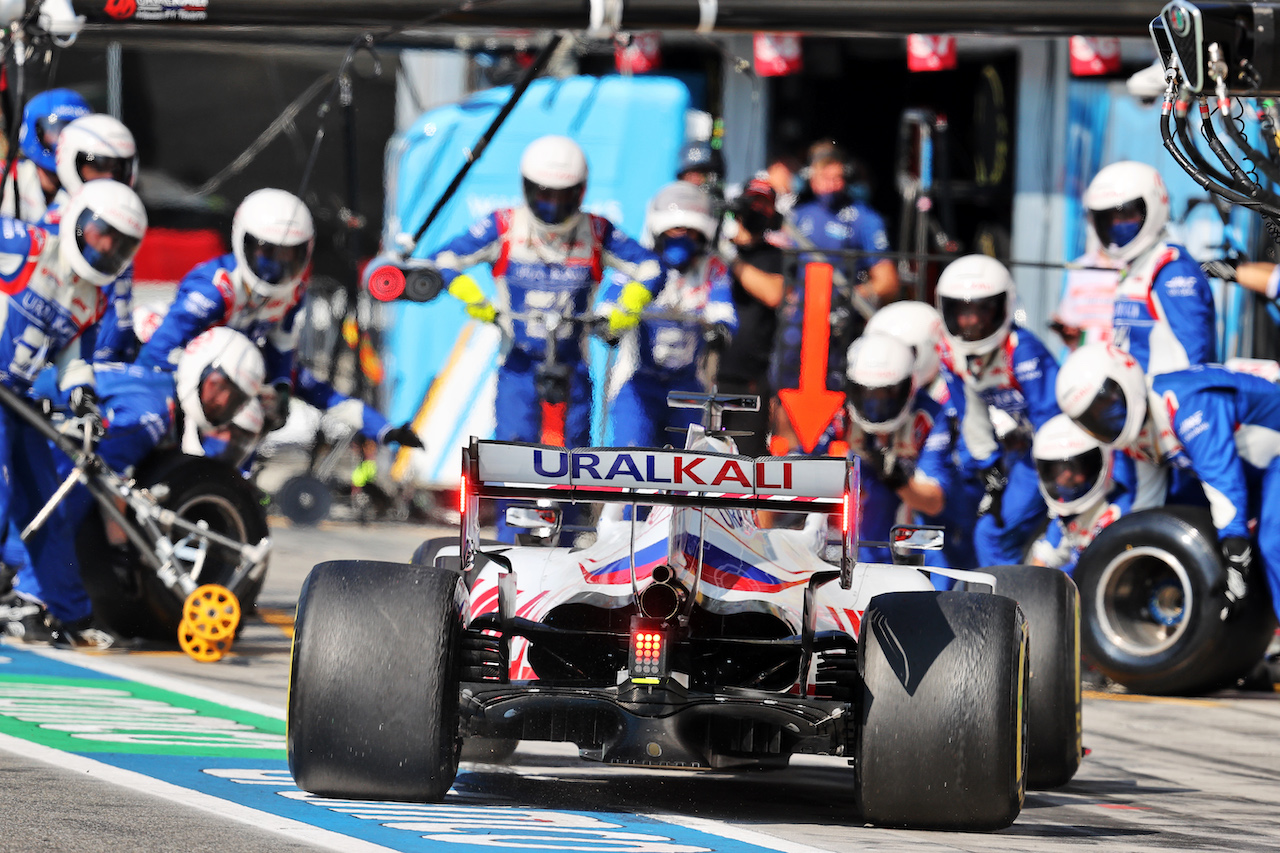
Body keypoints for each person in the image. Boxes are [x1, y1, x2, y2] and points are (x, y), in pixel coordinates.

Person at [2, 328, 265, 648]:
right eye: (219, 387)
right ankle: (27, 596)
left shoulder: (158, 391)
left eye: (234, 399)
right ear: (200, 368)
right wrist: (119, 553)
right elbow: (78, 488)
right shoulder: (149, 414)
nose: (222, 402)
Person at [430, 134, 662, 453]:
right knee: (510, 462)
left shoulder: (596, 230)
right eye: (544, 195)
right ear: (527, 188)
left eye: (563, 196)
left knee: (574, 464)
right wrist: (474, 299)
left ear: (580, 192)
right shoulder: (503, 225)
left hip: (574, 367)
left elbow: (652, 267)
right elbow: (441, 259)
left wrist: (624, 308)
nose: (553, 206)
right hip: (518, 363)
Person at [0, 179, 146, 644]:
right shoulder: (25, 245)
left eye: (120, 244)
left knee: (47, 504)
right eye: (102, 233)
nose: (107, 248)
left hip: (18, 398)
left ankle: (71, 616)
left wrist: (82, 398)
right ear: (79, 219)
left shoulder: (92, 296)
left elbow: (72, 357)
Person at [1056, 342, 1280, 623]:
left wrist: (1236, 553)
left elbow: (1222, 478)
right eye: (1093, 416)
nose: (1106, 418)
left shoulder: (1186, 404)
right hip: (1251, 471)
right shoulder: (1131, 435)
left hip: (1268, 460)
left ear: (1125, 378)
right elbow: (1149, 506)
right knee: (1186, 524)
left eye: (1107, 402)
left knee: (1272, 540)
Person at [135, 188, 314, 432]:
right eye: (267, 251)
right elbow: (156, 353)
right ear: (244, 242)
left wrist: (281, 389)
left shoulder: (294, 293)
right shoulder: (215, 289)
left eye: (288, 254)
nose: (276, 266)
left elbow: (281, 346)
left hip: (226, 382)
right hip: (175, 370)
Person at [936, 254, 1061, 566]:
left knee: (993, 535)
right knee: (983, 529)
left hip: (1053, 457)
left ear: (1003, 307)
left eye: (982, 309)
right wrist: (989, 467)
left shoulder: (1022, 350)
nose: (971, 321)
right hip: (1018, 456)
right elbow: (969, 413)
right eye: (962, 311)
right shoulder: (950, 354)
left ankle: (1013, 608)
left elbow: (1052, 421)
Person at [602, 181, 737, 448]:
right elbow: (608, 309)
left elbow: (725, 314)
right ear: (658, 230)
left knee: (689, 464)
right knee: (630, 457)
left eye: (691, 231)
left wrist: (720, 331)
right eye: (676, 229)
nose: (682, 236)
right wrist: (609, 324)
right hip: (637, 384)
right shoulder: (640, 263)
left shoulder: (714, 269)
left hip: (690, 386)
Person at [1083, 161, 1217, 375]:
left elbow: (1193, 360)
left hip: (1166, 404)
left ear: (1152, 205)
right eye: (1109, 217)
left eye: (1126, 214)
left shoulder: (1171, 269)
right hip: (1135, 401)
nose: (1117, 224)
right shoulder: (1139, 265)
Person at [717, 178, 785, 458]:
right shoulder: (716, 249)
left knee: (744, 464)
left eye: (764, 206)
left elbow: (774, 293)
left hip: (750, 382)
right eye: (753, 203)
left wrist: (732, 260)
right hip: (707, 376)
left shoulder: (775, 256)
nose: (757, 210)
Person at [789, 140, 898, 305]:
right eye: (824, 177)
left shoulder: (865, 219)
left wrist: (848, 296)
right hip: (799, 321)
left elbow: (888, 283)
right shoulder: (796, 215)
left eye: (836, 178)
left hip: (842, 319)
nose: (831, 185)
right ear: (810, 178)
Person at [1026, 413, 1135, 574]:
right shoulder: (1064, 517)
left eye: (1074, 466)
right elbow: (1042, 561)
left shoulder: (1123, 507)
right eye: (1057, 470)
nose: (1066, 476)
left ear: (1096, 464)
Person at [2, 88, 92, 223]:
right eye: (56, 131)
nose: (65, 140)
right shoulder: (6, 175)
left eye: (75, 132)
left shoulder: (93, 188)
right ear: (37, 131)